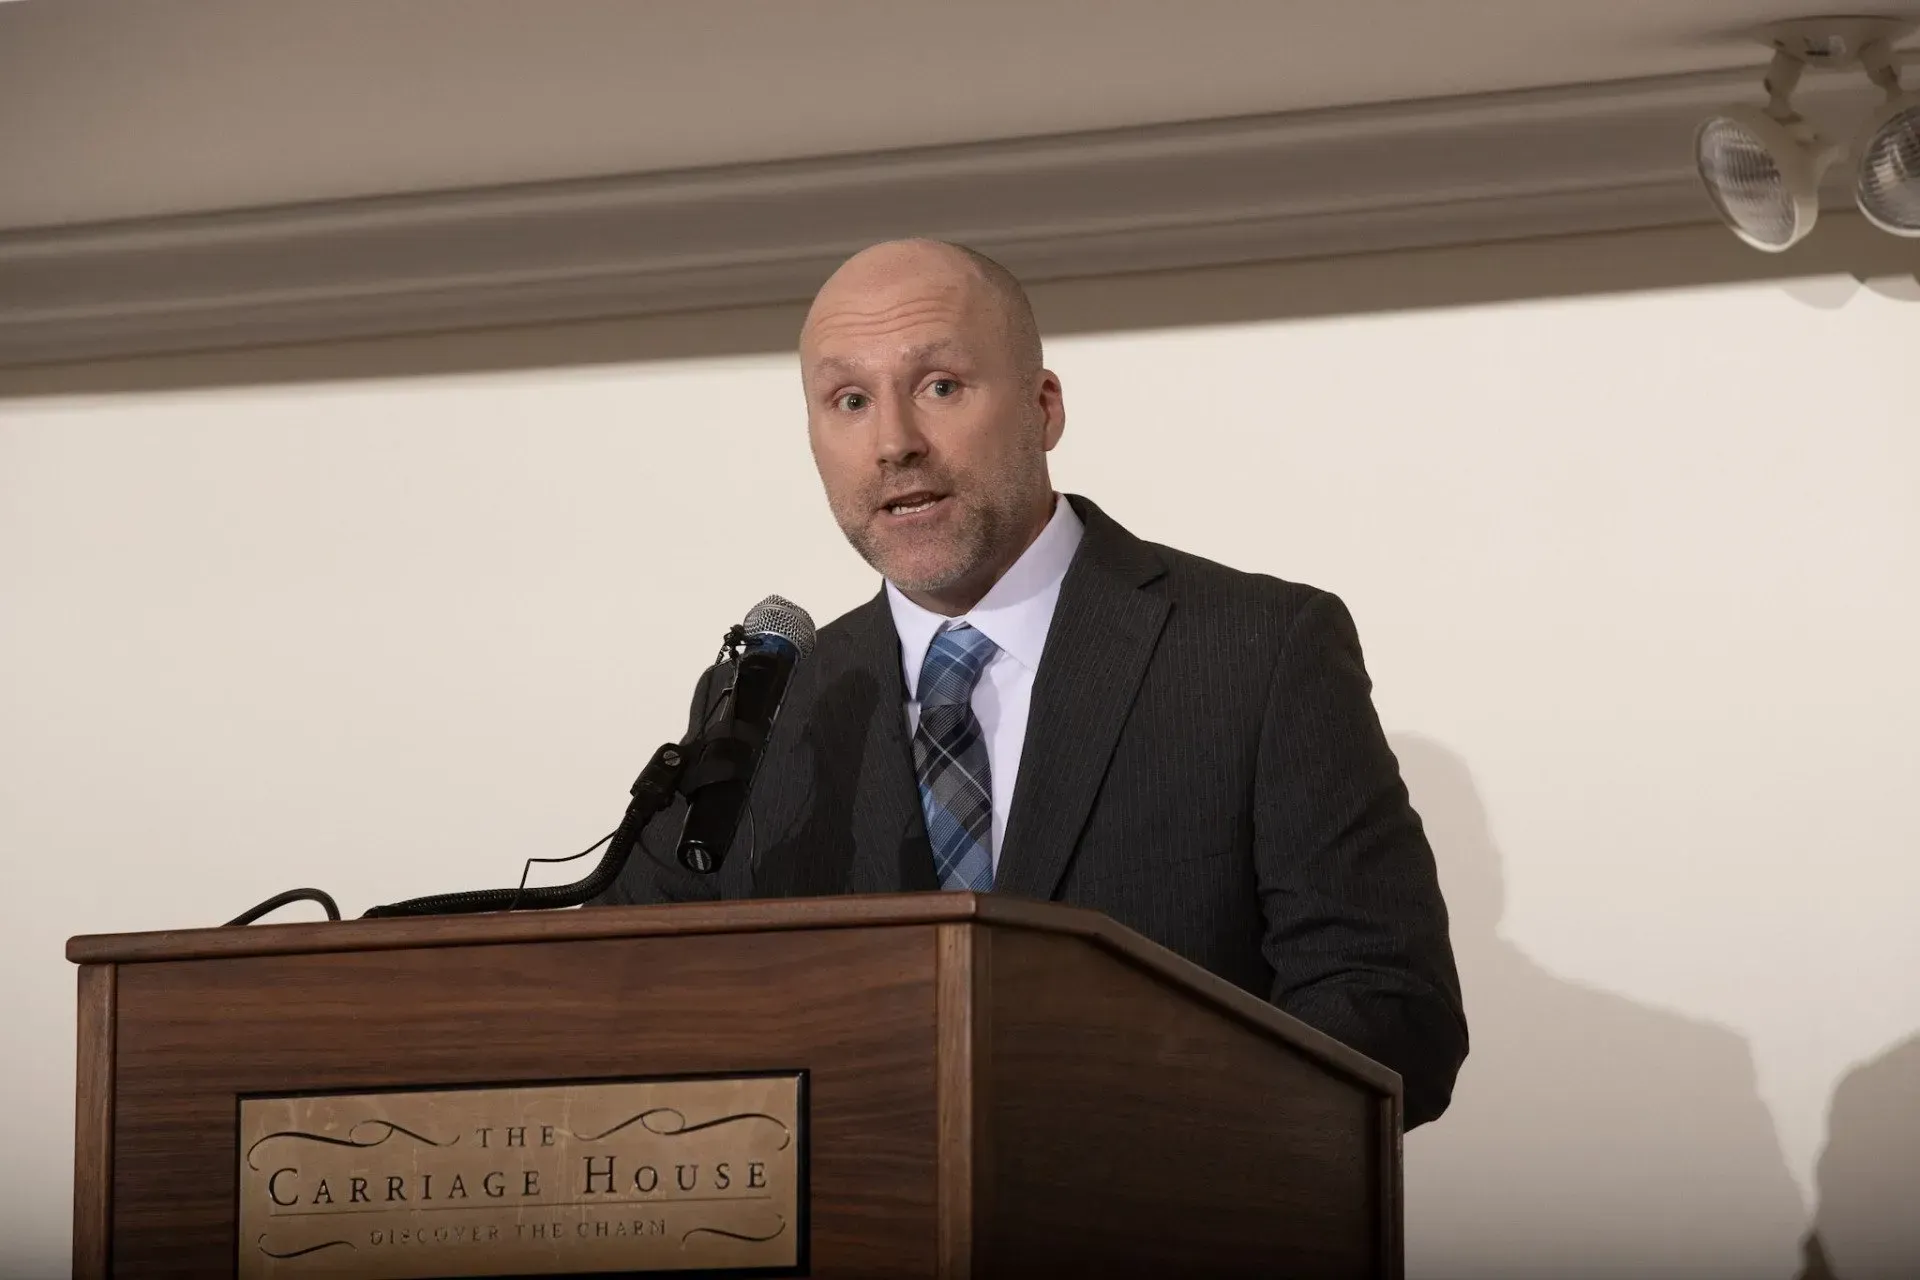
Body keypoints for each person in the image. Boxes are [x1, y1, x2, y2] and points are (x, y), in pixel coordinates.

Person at [600, 239, 1467, 1127]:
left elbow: (1390, 1011)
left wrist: (1122, 1138)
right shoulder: (765, 707)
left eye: (940, 386)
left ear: (1043, 407)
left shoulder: (1258, 650)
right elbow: (616, 1000)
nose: (895, 443)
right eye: (849, 401)